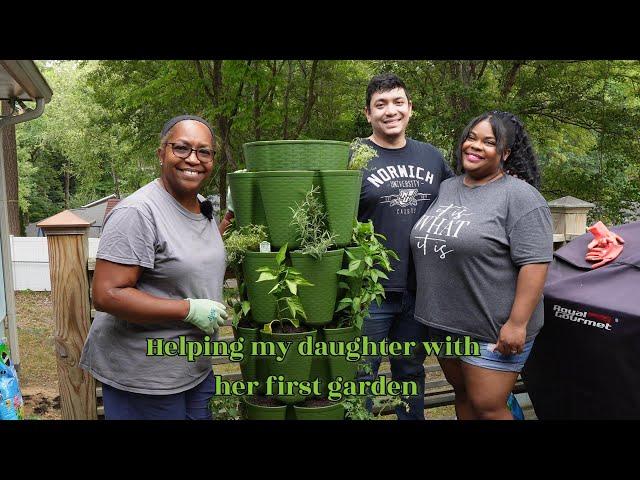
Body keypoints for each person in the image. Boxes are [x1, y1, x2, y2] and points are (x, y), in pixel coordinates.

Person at [80, 115, 228, 420]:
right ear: (161, 153)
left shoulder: (201, 204)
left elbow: (182, 254)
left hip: (193, 368)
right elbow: (107, 295)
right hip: (146, 377)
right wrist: (187, 309)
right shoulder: (137, 212)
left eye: (204, 152)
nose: (193, 159)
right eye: (182, 148)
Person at [409, 111, 553, 419]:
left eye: (489, 142)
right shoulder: (449, 187)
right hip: (446, 324)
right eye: (471, 137)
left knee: (488, 407)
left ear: (505, 153)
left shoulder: (521, 197)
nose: (475, 146)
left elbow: (535, 263)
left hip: (492, 329)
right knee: (465, 397)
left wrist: (516, 324)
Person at [356, 73, 455, 420]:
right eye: (380, 104)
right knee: (360, 376)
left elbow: (462, 205)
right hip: (368, 293)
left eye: (398, 102)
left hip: (420, 291)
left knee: (410, 375)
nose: (390, 111)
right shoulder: (353, 158)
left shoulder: (431, 157)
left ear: (410, 108)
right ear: (368, 113)